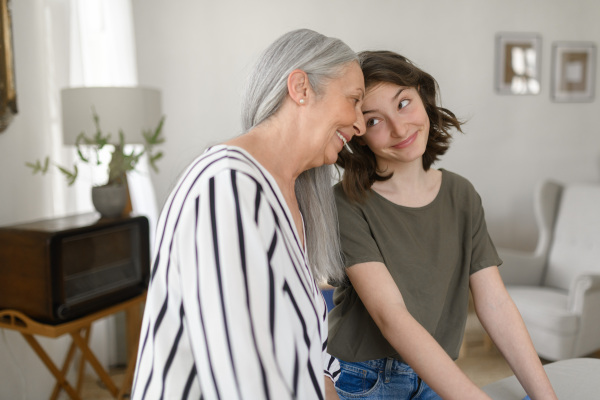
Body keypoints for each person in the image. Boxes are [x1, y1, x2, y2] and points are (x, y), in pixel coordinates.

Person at [131, 29, 366, 400]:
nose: (361, 124)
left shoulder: (289, 198)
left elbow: (304, 357)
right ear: (301, 87)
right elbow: (245, 383)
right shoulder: (225, 186)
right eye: (354, 100)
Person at [328, 50, 557, 400]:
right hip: (367, 380)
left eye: (403, 103)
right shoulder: (346, 202)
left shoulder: (461, 194)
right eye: (374, 121)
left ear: (423, 95)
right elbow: (391, 316)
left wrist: (547, 397)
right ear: (357, 133)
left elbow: (495, 303)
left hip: (436, 372)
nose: (400, 128)